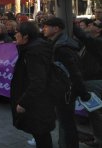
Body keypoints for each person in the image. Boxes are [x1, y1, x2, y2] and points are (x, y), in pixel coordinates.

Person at [43, 17, 91, 148]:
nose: (44, 29)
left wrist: (82, 92)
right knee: (65, 123)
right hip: (62, 90)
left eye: (47, 26)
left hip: (65, 92)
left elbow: (74, 72)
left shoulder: (62, 48)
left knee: (67, 124)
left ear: (56, 28)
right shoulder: (57, 43)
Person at [10, 21, 55, 148]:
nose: (15, 36)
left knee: (41, 134)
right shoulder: (31, 48)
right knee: (39, 133)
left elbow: (38, 81)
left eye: (17, 33)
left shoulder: (34, 52)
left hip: (37, 102)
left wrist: (24, 102)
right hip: (38, 101)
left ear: (26, 36)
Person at [73, 20, 102, 147]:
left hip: (94, 80)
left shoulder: (97, 42)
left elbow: (83, 37)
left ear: (99, 30)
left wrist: (70, 23)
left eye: (93, 24)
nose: (90, 25)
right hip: (89, 79)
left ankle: (99, 139)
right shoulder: (91, 41)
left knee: (96, 112)